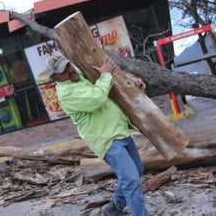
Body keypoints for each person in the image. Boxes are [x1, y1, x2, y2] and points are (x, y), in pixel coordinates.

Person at [45, 55, 149, 216]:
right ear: (56, 77)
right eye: (63, 71)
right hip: (107, 140)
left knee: (137, 169)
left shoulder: (77, 76)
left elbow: (107, 78)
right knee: (131, 180)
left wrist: (130, 80)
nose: (70, 70)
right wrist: (106, 75)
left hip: (119, 131)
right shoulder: (67, 93)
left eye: (68, 65)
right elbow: (97, 97)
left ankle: (114, 208)